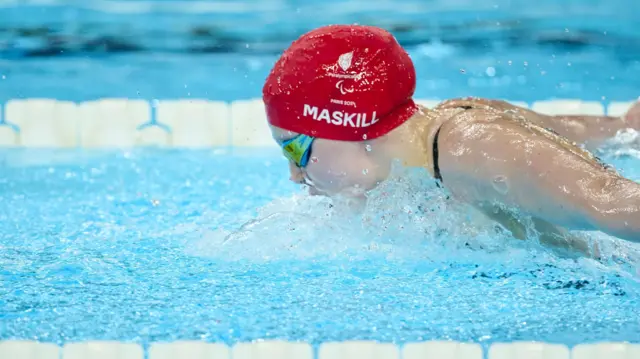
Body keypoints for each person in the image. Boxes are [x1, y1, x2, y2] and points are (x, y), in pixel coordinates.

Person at [261, 24, 640, 255]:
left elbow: (616, 204)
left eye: (295, 149)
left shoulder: (480, 150)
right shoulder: (432, 145)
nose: (295, 175)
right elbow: (613, 132)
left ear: (353, 128)